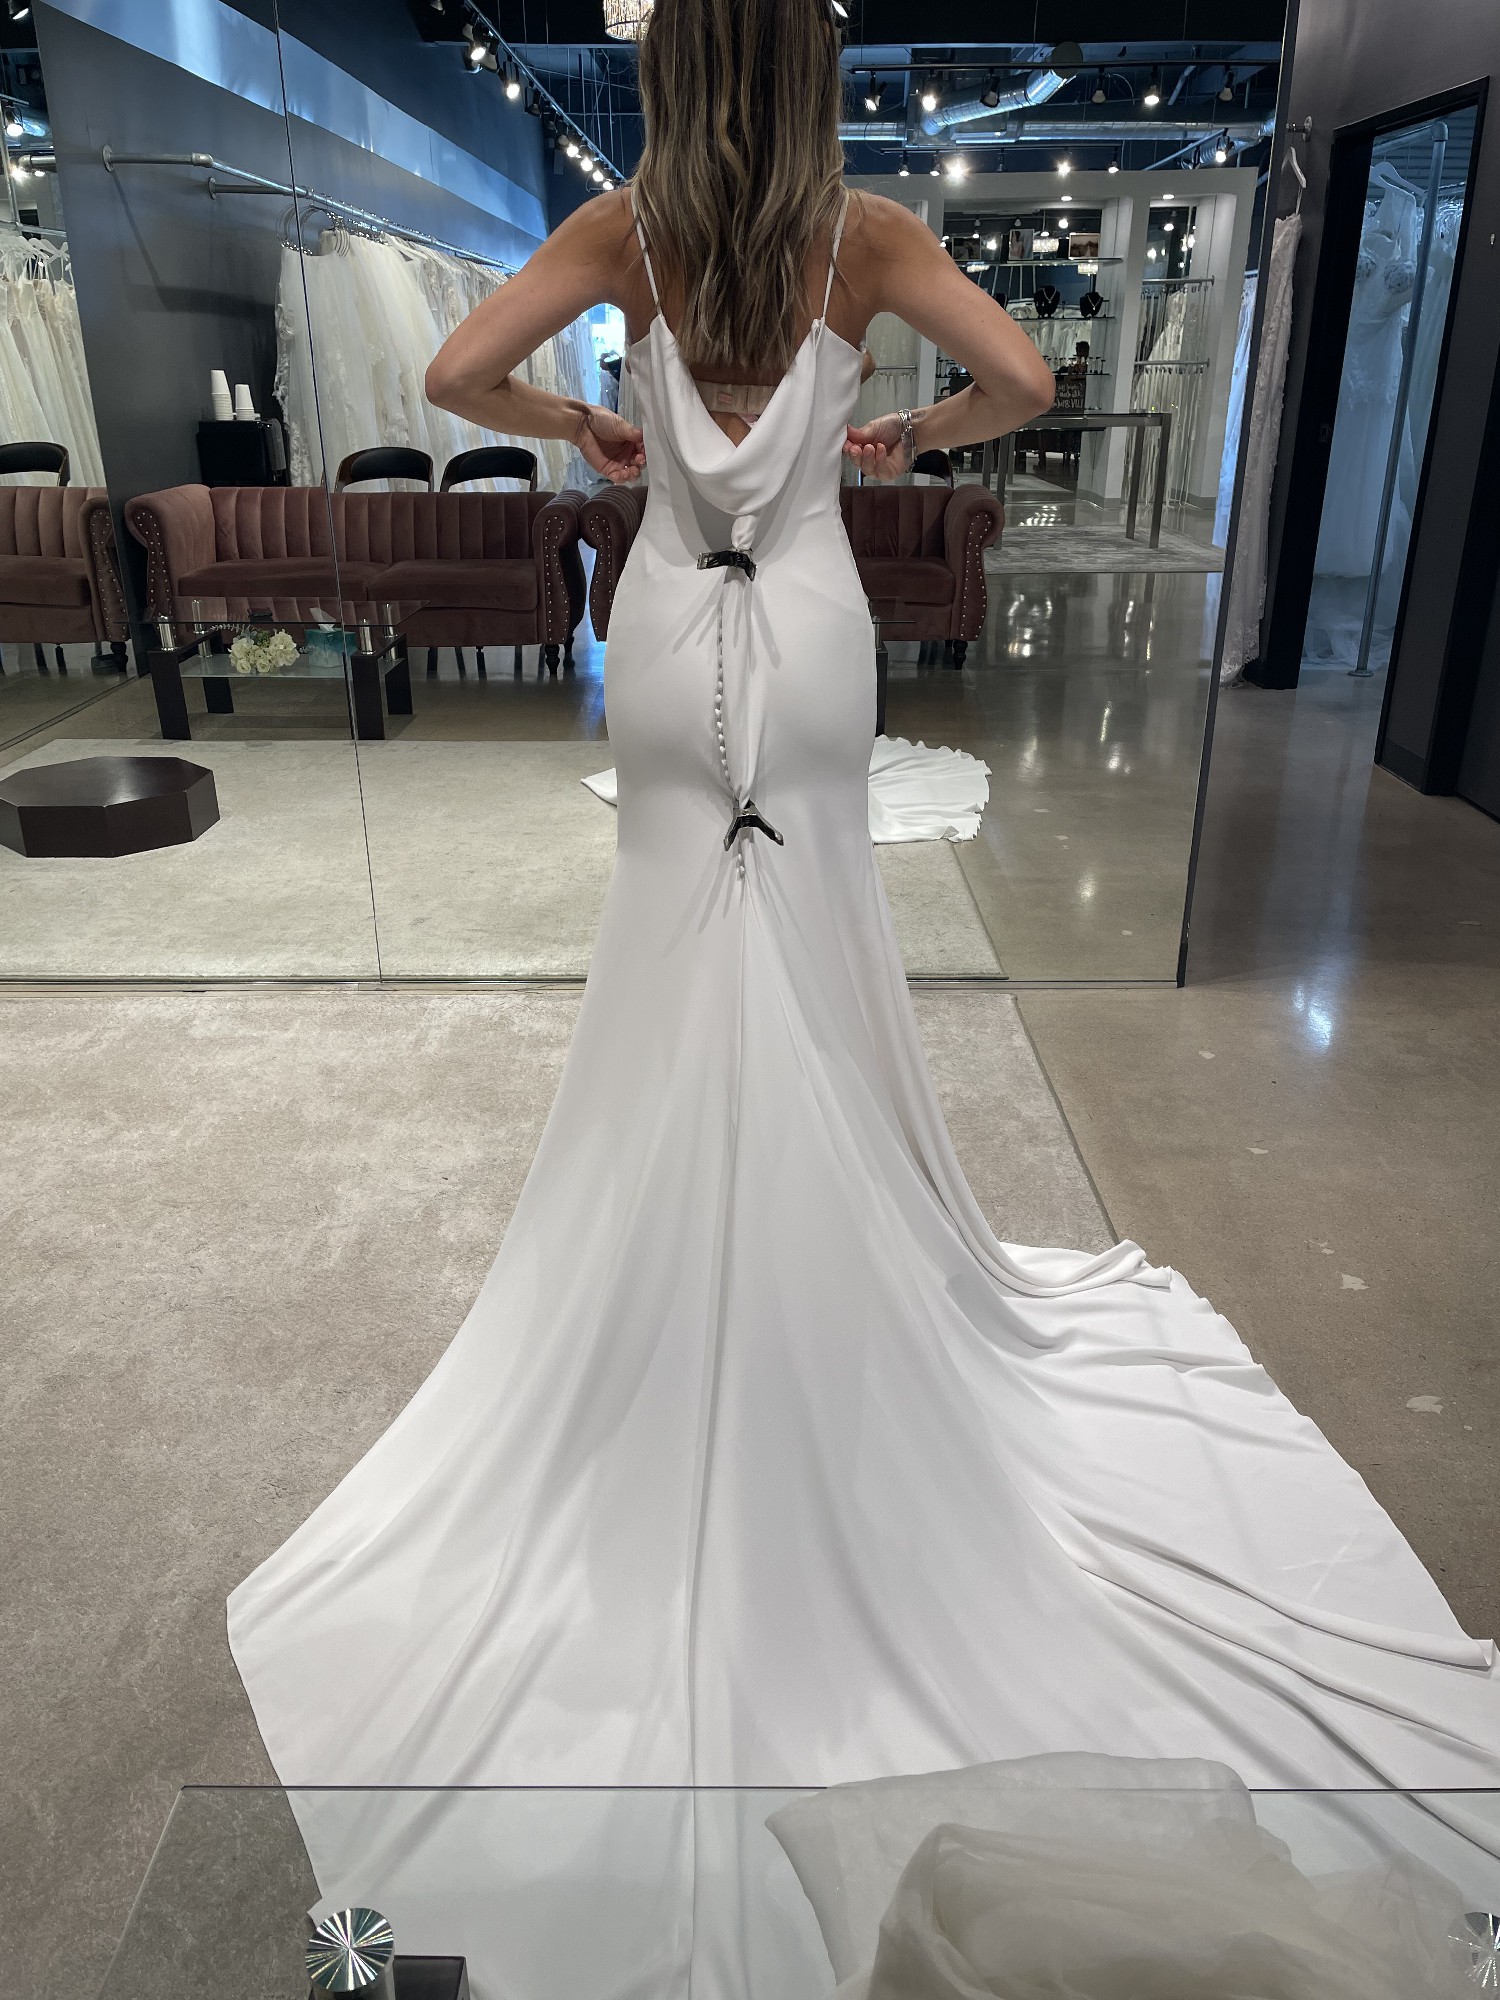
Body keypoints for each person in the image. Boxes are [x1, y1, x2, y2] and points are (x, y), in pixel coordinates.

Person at [228, 0, 1500, 1834]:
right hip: (813, 633)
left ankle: (672, 1294)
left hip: (671, 631)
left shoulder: (627, 232)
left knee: (669, 937)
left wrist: (584, 419)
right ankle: (829, 1284)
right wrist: (911, 433)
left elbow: (450, 377)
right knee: (814, 928)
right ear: (805, 73)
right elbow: (1031, 385)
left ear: (677, 68)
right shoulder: (872, 235)